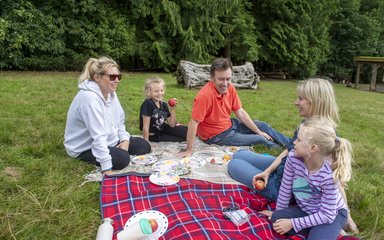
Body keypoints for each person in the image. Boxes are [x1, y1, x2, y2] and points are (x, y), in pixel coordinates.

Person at [227, 78, 359, 234]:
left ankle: (318, 227)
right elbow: (290, 151)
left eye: (301, 98)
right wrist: (268, 170)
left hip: (282, 184)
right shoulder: (306, 126)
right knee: (239, 155)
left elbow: (336, 182)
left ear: (317, 102)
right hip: (285, 169)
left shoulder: (325, 139)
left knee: (234, 165)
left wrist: (347, 216)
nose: (296, 102)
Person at [179, 58, 290, 157]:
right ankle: (287, 155)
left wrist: (258, 130)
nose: (225, 83)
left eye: (228, 79)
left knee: (263, 126)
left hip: (230, 124)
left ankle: (293, 145)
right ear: (212, 78)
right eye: (221, 79)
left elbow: (240, 112)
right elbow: (193, 123)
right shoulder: (205, 96)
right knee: (260, 139)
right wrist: (189, 150)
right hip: (216, 136)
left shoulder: (230, 88)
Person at [64, 56, 151, 175]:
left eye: (119, 76)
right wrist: (106, 168)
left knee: (144, 146)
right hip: (85, 147)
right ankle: (110, 154)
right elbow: (98, 136)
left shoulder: (111, 94)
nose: (117, 80)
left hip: (108, 139)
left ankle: (116, 149)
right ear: (97, 77)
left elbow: (120, 122)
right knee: (122, 159)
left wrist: (125, 140)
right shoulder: (89, 99)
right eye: (112, 77)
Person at [268, 118, 352, 239]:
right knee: (276, 219)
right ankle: (317, 230)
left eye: (299, 140)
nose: (294, 143)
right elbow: (285, 189)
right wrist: (278, 213)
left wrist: (293, 223)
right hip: (307, 210)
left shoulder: (328, 176)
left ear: (313, 148)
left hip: (332, 214)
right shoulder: (293, 158)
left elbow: (327, 215)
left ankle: (324, 230)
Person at [139, 76, 187, 142]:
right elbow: (145, 127)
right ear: (148, 92)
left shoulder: (163, 104)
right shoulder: (148, 104)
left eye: (161, 90)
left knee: (187, 132)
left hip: (162, 128)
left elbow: (172, 124)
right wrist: (146, 143)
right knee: (181, 139)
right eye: (156, 91)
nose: (160, 93)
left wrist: (172, 109)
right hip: (153, 135)